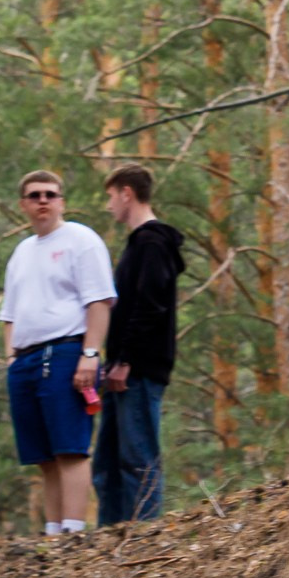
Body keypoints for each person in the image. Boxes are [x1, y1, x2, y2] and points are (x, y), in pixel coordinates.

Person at [0, 169, 115, 536]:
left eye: (50, 194)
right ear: (24, 205)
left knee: (70, 448)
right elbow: (9, 315)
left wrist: (90, 354)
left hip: (67, 353)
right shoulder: (21, 252)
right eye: (35, 195)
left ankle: (74, 533)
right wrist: (11, 359)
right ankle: (53, 534)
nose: (43, 201)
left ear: (62, 201)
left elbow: (99, 301)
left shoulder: (81, 240)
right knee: (43, 455)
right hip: (25, 359)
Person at [94, 163, 185, 526]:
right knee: (107, 465)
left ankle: (143, 539)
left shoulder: (152, 242)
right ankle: (108, 543)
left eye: (111, 196)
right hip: (123, 367)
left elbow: (150, 305)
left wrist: (126, 361)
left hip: (138, 370)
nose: (109, 205)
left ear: (126, 193)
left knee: (137, 459)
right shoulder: (141, 244)